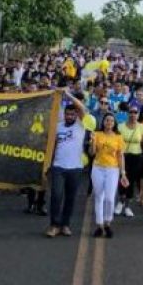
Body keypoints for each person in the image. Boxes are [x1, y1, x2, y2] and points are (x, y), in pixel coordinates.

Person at [45, 92, 87, 238]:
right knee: (56, 196)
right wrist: (48, 165)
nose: (69, 116)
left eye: (72, 114)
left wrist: (67, 94)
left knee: (70, 198)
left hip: (75, 168)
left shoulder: (81, 125)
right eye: (67, 114)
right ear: (64, 114)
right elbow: (52, 146)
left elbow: (81, 107)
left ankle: (65, 225)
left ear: (76, 115)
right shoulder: (58, 127)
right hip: (58, 167)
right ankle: (54, 225)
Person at [90, 113, 128, 238]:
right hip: (98, 168)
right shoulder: (97, 134)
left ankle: (108, 222)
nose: (109, 122)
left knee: (110, 198)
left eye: (111, 121)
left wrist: (123, 173)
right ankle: (100, 225)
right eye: (107, 120)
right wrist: (92, 142)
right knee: (99, 197)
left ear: (114, 123)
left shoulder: (118, 137)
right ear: (103, 122)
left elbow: (120, 156)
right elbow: (92, 153)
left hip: (112, 169)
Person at [116, 105, 143, 218]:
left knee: (132, 181)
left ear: (138, 114)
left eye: (135, 112)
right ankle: (120, 202)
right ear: (127, 113)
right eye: (131, 112)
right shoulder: (120, 126)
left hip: (137, 156)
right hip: (123, 156)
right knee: (122, 178)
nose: (133, 114)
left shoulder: (142, 127)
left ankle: (127, 206)